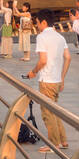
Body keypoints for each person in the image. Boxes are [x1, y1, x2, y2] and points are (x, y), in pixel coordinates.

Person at [28, 11, 71, 151]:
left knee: (47, 113)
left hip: (46, 80)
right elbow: (68, 57)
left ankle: (54, 144)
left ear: (44, 22)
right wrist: (62, 77)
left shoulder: (42, 37)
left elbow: (43, 60)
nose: (37, 25)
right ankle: (63, 140)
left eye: (37, 23)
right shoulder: (60, 37)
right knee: (55, 110)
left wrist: (33, 72)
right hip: (57, 80)